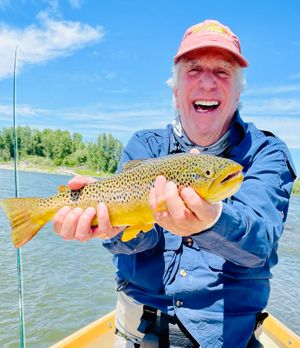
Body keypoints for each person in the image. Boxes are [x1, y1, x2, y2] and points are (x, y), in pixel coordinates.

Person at [52, 19, 296, 348]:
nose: (208, 83)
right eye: (194, 69)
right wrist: (110, 230)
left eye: (223, 72)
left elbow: (259, 243)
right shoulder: (143, 146)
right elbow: (132, 241)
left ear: (238, 93)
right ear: (175, 89)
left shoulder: (266, 153)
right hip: (140, 331)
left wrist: (213, 220)